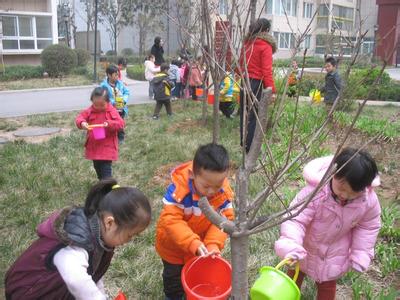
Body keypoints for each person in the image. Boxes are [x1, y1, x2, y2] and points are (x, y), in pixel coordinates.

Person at [5, 178, 152, 300]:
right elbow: (77, 280)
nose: (130, 240)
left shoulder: (101, 237)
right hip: (30, 292)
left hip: (55, 290)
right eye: (130, 235)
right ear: (110, 223)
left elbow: (92, 273)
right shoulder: (76, 241)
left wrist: (101, 294)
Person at [275, 148, 381, 300]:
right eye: (341, 189)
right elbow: (296, 219)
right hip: (304, 247)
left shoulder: (367, 200)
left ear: (364, 187)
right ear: (333, 173)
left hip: (334, 253)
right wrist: (291, 244)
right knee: (294, 276)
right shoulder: (315, 193)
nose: (344, 195)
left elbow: (368, 226)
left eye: (352, 193)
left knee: (327, 285)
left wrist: (361, 252)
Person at [155, 143, 234, 300]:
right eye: (206, 186)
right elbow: (171, 221)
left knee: (199, 274)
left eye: (217, 185)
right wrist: (193, 242)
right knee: (173, 280)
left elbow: (224, 220)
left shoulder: (222, 193)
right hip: (173, 248)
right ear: (192, 174)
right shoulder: (179, 192)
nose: (212, 191)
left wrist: (212, 243)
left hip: (203, 247)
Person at [238, 18, 276, 153]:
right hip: (257, 83)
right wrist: (271, 90)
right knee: (255, 116)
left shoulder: (246, 44)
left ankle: (244, 143)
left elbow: (239, 65)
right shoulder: (265, 46)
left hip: (245, 82)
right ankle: (250, 148)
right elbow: (267, 71)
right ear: (266, 30)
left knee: (245, 114)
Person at [75, 87, 125, 180]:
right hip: (95, 145)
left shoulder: (112, 111)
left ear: (108, 101)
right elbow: (80, 117)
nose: (98, 107)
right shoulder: (90, 110)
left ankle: (108, 187)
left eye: (102, 105)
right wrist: (82, 123)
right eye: (95, 104)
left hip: (107, 145)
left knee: (106, 170)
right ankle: (102, 183)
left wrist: (109, 123)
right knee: (97, 167)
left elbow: (121, 124)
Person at [100, 65, 129, 143]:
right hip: (110, 109)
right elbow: (103, 97)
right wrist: (112, 103)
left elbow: (126, 92)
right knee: (109, 123)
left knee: (120, 122)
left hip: (121, 108)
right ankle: (108, 136)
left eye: (118, 75)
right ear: (109, 75)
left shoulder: (120, 83)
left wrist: (124, 100)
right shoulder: (103, 86)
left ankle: (121, 137)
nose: (117, 77)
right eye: (115, 75)